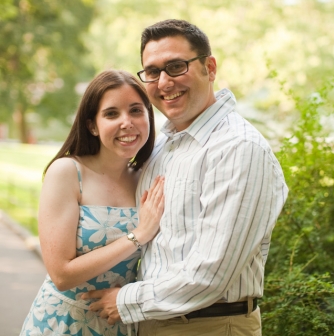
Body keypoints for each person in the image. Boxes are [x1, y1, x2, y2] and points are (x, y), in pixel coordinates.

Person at [84, 19, 289, 335]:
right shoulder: (163, 145)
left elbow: (212, 274)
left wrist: (124, 301)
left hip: (210, 325)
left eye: (176, 66)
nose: (164, 82)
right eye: (152, 72)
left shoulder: (238, 148)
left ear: (210, 67)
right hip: (151, 322)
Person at [20, 70, 165, 336]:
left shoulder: (147, 179)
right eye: (111, 114)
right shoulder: (67, 173)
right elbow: (61, 275)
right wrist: (138, 235)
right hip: (63, 323)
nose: (127, 122)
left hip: (120, 323)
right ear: (92, 126)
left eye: (136, 111)